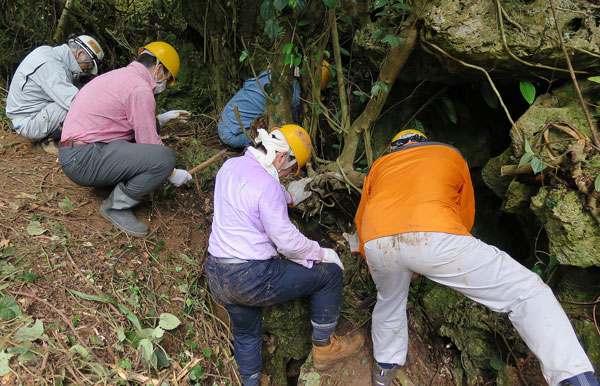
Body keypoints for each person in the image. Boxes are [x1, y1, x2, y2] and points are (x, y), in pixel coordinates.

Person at [354, 129, 599, 386]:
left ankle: (384, 372)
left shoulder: (379, 166)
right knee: (526, 291)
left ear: (395, 147)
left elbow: (362, 218)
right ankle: (574, 378)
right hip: (436, 234)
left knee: (389, 301)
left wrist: (375, 260)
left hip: (377, 241)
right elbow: (464, 211)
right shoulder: (449, 153)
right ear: (423, 141)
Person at [205, 125, 364, 386]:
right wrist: (319, 253)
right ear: (282, 157)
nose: (289, 174)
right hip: (250, 276)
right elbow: (287, 243)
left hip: (218, 273)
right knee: (330, 275)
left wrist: (288, 197)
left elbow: (253, 190)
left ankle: (251, 382)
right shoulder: (267, 185)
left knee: (246, 334)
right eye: (292, 168)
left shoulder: (229, 166)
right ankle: (325, 349)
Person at [58, 41, 193, 237]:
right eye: (167, 78)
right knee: (164, 158)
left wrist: (160, 121)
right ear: (159, 69)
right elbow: (148, 143)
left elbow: (127, 122)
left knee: (146, 148)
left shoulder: (120, 76)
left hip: (75, 153)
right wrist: (172, 174)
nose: (164, 84)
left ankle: (112, 187)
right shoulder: (140, 89)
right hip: (84, 159)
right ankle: (117, 207)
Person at [6, 35, 105, 153]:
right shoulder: (50, 66)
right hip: (29, 122)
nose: (87, 69)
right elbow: (75, 101)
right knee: (75, 107)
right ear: (79, 54)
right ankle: (50, 141)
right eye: (88, 65)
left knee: (79, 97)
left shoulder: (52, 55)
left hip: (35, 113)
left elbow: (65, 78)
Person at [218, 63, 332, 148]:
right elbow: (291, 124)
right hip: (232, 135)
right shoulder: (293, 94)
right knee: (289, 131)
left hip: (224, 119)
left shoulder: (274, 73)